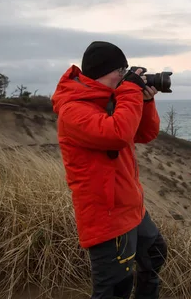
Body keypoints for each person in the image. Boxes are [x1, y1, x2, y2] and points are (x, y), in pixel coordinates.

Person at [51, 41, 167, 299]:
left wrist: (145, 101)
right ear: (105, 72)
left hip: (130, 207)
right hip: (107, 215)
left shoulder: (110, 101)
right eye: (121, 70)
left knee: (154, 254)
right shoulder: (74, 109)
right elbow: (116, 135)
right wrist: (130, 91)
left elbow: (145, 134)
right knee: (114, 290)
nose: (124, 77)